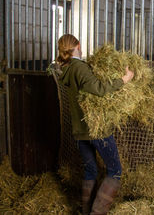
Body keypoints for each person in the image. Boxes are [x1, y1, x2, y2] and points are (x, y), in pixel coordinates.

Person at [57, 34, 134, 215]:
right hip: (96, 129)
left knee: (90, 171)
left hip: (80, 132)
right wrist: (124, 79)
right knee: (115, 170)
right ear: (78, 45)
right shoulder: (79, 68)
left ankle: (85, 211)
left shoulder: (67, 69)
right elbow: (99, 89)